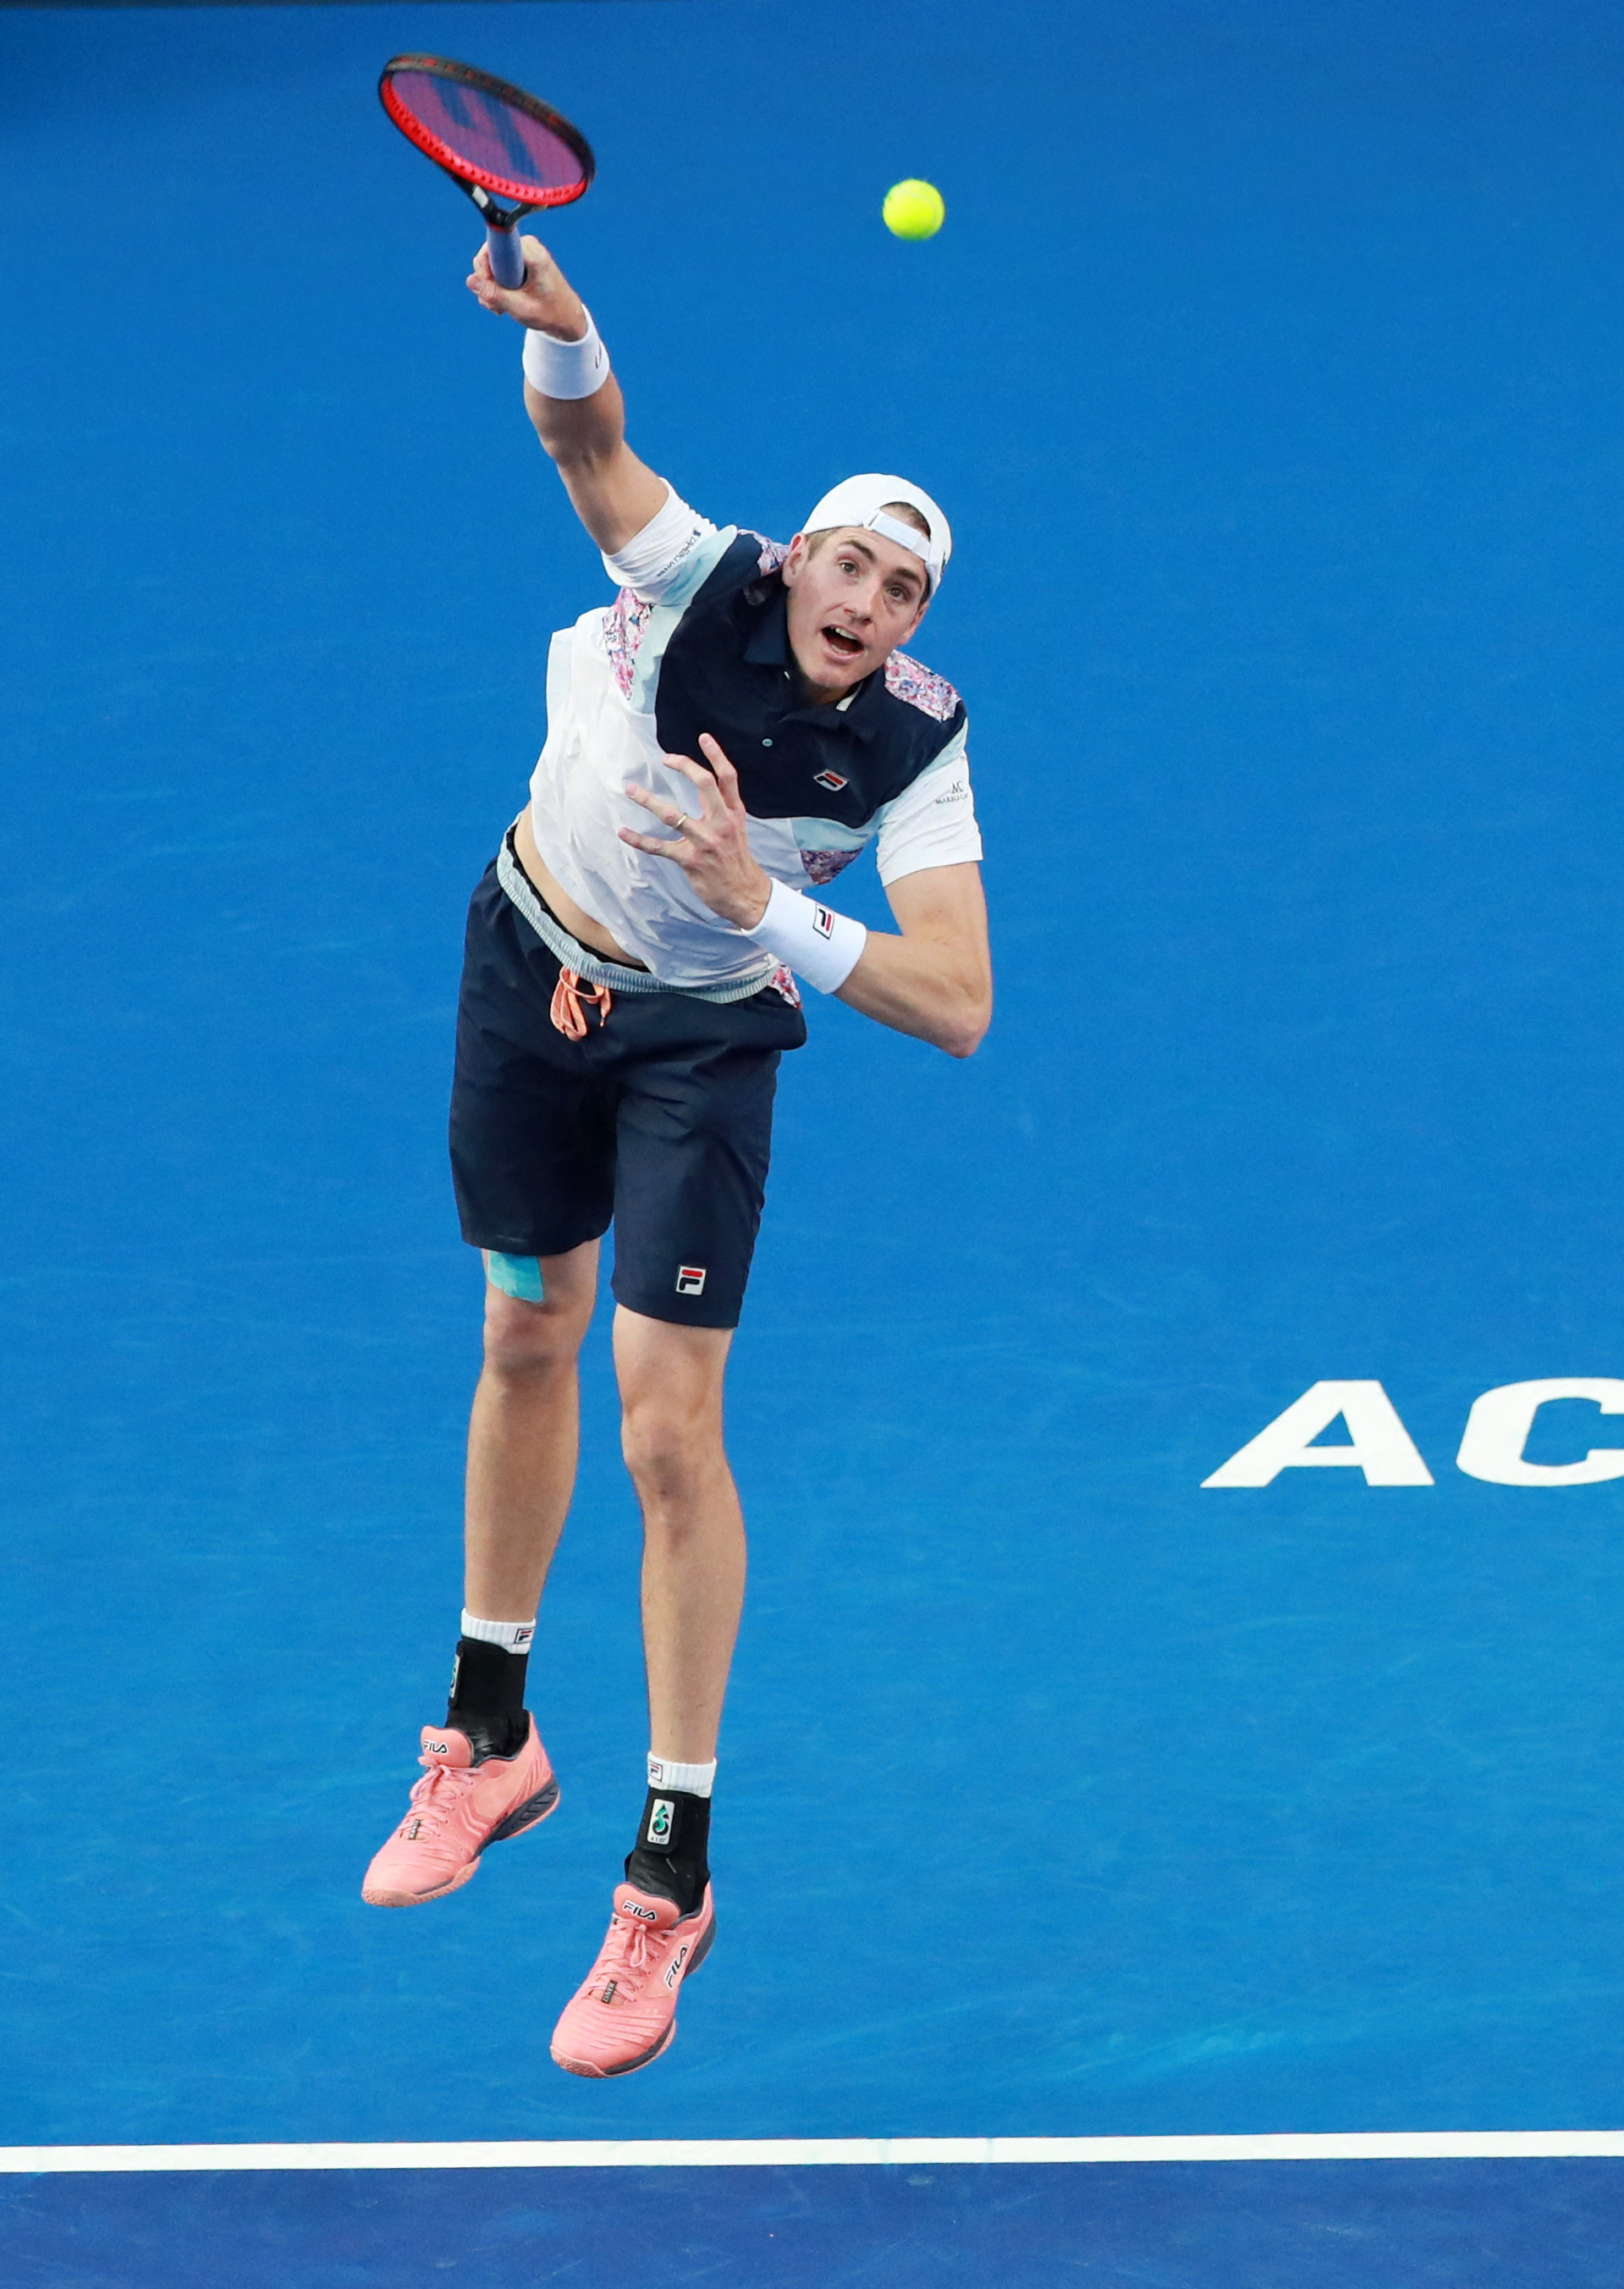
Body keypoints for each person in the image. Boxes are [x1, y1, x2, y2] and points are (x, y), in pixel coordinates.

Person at [359, 234, 991, 2079]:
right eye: (851, 561)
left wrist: (759, 909)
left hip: (705, 1039)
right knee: (520, 1335)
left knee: (663, 1428)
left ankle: (669, 1874)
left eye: (907, 587)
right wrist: (570, 333)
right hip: (530, 969)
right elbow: (592, 451)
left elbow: (954, 1000)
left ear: (916, 621)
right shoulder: (693, 574)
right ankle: (488, 1736)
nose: (869, 600)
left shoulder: (915, 749)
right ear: (797, 561)